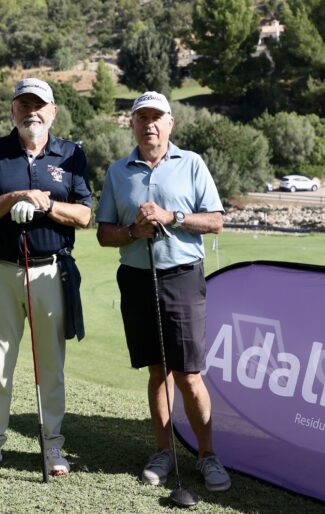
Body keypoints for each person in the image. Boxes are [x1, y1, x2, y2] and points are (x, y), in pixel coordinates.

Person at [95, 91, 231, 492]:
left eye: (157, 118)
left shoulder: (192, 164)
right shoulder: (119, 172)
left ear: (170, 123)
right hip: (137, 278)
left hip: (182, 276)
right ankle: (163, 452)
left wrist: (173, 217)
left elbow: (216, 221)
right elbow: (104, 234)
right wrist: (134, 231)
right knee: (158, 371)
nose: (149, 125)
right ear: (133, 124)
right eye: (142, 118)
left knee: (188, 373)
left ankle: (207, 456)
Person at [0, 77, 92, 476]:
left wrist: (46, 204)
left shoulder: (70, 155)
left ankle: (52, 445)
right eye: (24, 105)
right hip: (0, 269)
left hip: (49, 271)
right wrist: (14, 199)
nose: (31, 112)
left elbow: (85, 215)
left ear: (53, 112)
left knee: (50, 364)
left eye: (39, 105)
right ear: (12, 111)